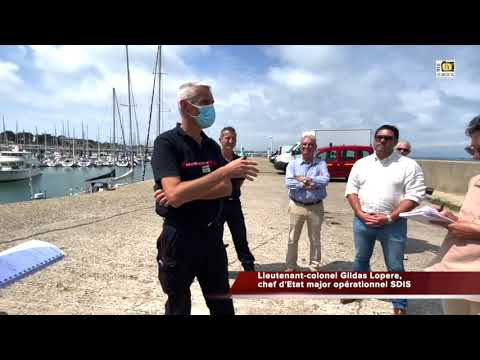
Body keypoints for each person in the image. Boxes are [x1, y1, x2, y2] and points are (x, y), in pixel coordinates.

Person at [151, 81, 259, 315]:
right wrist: (222, 172)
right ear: (185, 106)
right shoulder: (166, 143)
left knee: (223, 306)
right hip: (179, 240)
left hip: (212, 239)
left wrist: (183, 191)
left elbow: (226, 189)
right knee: (178, 307)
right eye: (205, 103)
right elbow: (176, 194)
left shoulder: (210, 145)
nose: (211, 108)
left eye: (212, 102)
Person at [343, 125, 426, 315]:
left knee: (395, 265)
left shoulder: (408, 165)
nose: (382, 141)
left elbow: (415, 195)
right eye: (379, 137)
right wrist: (360, 213)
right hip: (363, 221)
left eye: (387, 138)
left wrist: (391, 217)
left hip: (393, 224)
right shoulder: (361, 164)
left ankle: (400, 304)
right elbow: (351, 191)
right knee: (361, 259)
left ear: (395, 142)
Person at [426, 115, 480, 315]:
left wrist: (475, 231)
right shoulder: (475, 180)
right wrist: (453, 219)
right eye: (471, 149)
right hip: (455, 270)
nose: (474, 157)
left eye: (479, 150)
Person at [285, 134, 330, 271]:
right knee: (292, 238)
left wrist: (303, 179)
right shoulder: (292, 163)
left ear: (315, 147)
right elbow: (289, 182)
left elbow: (326, 179)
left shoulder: (321, 164)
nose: (307, 146)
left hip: (316, 207)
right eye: (304, 144)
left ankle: (314, 266)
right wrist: (309, 182)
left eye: (310, 144)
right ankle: (291, 266)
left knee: (315, 239)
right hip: (297, 206)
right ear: (301, 146)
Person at [218, 126, 256, 272]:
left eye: (233, 138)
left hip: (233, 203)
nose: (230, 140)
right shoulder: (214, 158)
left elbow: (240, 182)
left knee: (240, 236)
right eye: (227, 138)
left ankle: (248, 266)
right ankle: (217, 267)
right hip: (216, 203)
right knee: (214, 238)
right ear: (220, 139)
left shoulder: (240, 160)